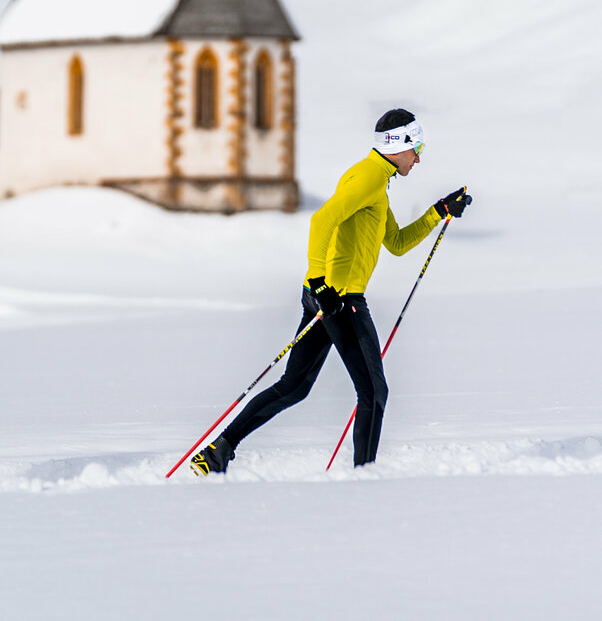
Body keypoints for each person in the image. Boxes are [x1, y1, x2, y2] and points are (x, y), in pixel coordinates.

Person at [190, 108, 471, 476]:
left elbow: (397, 243)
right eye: (416, 147)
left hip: (329, 297)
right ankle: (364, 480)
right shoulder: (369, 178)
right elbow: (322, 220)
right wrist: (319, 282)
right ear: (398, 144)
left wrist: (439, 211)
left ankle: (220, 449)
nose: (418, 157)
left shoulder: (374, 178)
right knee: (373, 392)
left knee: (294, 386)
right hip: (341, 300)